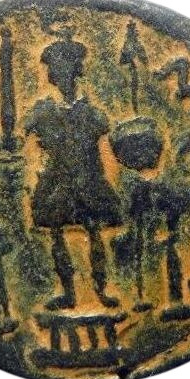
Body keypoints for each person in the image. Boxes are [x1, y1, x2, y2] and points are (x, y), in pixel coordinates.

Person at [25, 39, 122, 310]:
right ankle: (68, 293)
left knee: (94, 233)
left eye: (57, 66)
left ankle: (101, 291)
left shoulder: (90, 112)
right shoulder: (44, 110)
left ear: (72, 69)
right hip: (57, 181)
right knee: (57, 234)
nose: (53, 73)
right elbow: (24, 130)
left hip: (88, 179)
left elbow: (103, 127)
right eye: (52, 67)